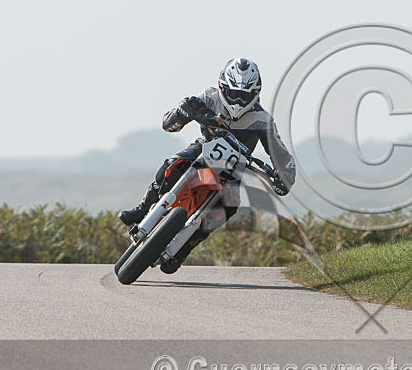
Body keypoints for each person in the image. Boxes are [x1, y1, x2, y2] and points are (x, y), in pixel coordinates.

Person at [119, 57, 296, 273]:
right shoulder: (209, 96)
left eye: (244, 96)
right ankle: (144, 208)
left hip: (233, 170)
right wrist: (182, 113)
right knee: (173, 164)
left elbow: (280, 152)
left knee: (229, 206)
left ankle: (184, 249)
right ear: (222, 86)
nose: (238, 101)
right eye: (234, 94)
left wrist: (285, 174)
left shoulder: (262, 119)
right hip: (203, 151)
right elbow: (169, 125)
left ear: (256, 93)